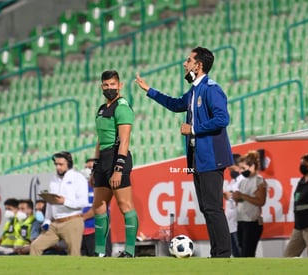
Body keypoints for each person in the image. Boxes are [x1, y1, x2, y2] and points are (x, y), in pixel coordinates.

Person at [135, 46, 234, 258]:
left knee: (213, 208)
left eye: (188, 60)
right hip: (198, 158)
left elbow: (222, 118)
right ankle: (217, 253)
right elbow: (176, 104)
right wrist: (150, 90)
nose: (184, 64)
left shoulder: (211, 88)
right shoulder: (195, 90)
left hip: (212, 158)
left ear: (198, 66)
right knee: (207, 208)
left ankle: (224, 254)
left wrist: (194, 129)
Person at [90, 70, 139, 258]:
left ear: (120, 86)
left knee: (125, 204)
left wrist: (118, 168)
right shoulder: (102, 109)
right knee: (99, 205)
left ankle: (130, 251)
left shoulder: (123, 107)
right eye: (106, 85)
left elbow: (124, 141)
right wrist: (95, 167)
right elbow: (99, 139)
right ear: (102, 86)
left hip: (117, 158)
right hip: (103, 159)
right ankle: (100, 252)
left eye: (112, 85)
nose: (109, 88)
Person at [30, 151, 88, 256]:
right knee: (35, 246)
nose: (58, 167)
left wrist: (64, 201)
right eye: (56, 164)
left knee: (74, 254)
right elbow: (50, 202)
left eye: (61, 164)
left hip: (72, 220)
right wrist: (47, 220)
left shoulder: (78, 178)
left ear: (69, 164)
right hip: (55, 223)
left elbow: (83, 202)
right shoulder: (54, 179)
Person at [232, 151, 267, 257]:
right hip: (241, 220)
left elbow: (261, 201)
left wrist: (242, 196)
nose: (241, 171)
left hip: (252, 222)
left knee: (247, 253)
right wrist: (236, 197)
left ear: (252, 166)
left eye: (243, 168)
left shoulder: (259, 181)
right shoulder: (243, 181)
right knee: (242, 251)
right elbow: (241, 200)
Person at [81, 157, 112, 257]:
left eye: (90, 167)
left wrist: (82, 218)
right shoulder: (81, 187)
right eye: (86, 167)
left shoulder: (103, 186)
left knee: (102, 262)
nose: (87, 170)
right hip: (83, 232)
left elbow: (100, 207)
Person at [223, 153, 243, 257]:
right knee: (235, 253)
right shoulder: (232, 181)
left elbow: (241, 196)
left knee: (241, 252)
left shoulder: (243, 180)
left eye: (232, 169)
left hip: (239, 221)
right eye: (230, 170)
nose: (231, 172)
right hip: (231, 222)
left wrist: (228, 194)